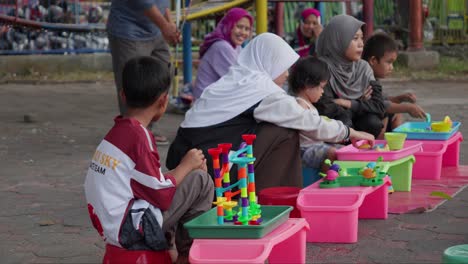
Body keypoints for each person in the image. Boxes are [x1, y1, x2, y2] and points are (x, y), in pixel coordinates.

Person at [166, 33, 375, 192]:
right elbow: (309, 123)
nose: (285, 74)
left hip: (186, 158)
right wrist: (350, 133)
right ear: (268, 61)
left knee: (279, 125)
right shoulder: (260, 89)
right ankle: (279, 199)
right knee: (284, 131)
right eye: (282, 66)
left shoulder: (239, 79)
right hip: (207, 168)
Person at [84, 57, 214, 264]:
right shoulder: (139, 137)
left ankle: (167, 244)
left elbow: (148, 185)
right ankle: (186, 256)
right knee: (201, 180)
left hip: (112, 225)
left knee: (175, 178)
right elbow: (160, 195)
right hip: (131, 230)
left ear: (123, 96)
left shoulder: (116, 133)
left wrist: (181, 172)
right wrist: (187, 166)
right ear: (163, 101)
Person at [107, 0, 179, 145]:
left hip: (156, 30)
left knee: (164, 73)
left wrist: (170, 25)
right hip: (129, 30)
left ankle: (147, 128)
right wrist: (165, 26)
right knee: (133, 83)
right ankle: (132, 131)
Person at [314, 14, 387, 138]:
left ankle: (362, 153)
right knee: (343, 122)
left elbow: (379, 106)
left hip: (358, 124)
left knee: (372, 122)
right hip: (333, 131)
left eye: (362, 38)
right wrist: (360, 102)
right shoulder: (323, 67)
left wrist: (349, 103)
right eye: (355, 38)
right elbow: (326, 109)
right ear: (337, 40)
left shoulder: (363, 68)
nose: (361, 44)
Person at [289, 56, 364, 171]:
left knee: (344, 150)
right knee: (332, 152)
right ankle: (327, 179)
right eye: (321, 87)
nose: (323, 91)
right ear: (308, 85)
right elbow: (312, 131)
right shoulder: (300, 104)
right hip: (304, 149)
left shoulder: (309, 104)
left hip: (316, 145)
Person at [362, 33, 426, 135]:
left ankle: (397, 143)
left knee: (396, 113)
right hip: (362, 121)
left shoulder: (374, 79)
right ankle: (380, 145)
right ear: (373, 60)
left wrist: (400, 98)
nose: (391, 67)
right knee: (385, 113)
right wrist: (407, 107)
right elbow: (381, 105)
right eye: (389, 62)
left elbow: (381, 100)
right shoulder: (364, 78)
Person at [192, 7, 253, 100]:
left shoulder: (236, 46)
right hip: (206, 104)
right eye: (239, 27)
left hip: (215, 99)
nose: (243, 32)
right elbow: (239, 79)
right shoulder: (222, 46)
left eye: (247, 29)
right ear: (229, 25)